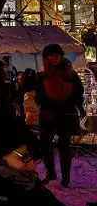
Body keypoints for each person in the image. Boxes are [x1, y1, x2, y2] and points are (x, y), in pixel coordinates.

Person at [36, 44, 85, 187]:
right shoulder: (43, 76)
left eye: (57, 55)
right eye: (51, 55)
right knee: (45, 145)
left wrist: (76, 104)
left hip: (65, 112)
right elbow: (39, 94)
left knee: (64, 145)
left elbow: (78, 92)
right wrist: (44, 102)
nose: (54, 58)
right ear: (46, 58)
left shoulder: (70, 74)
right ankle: (50, 172)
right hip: (48, 113)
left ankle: (66, 178)